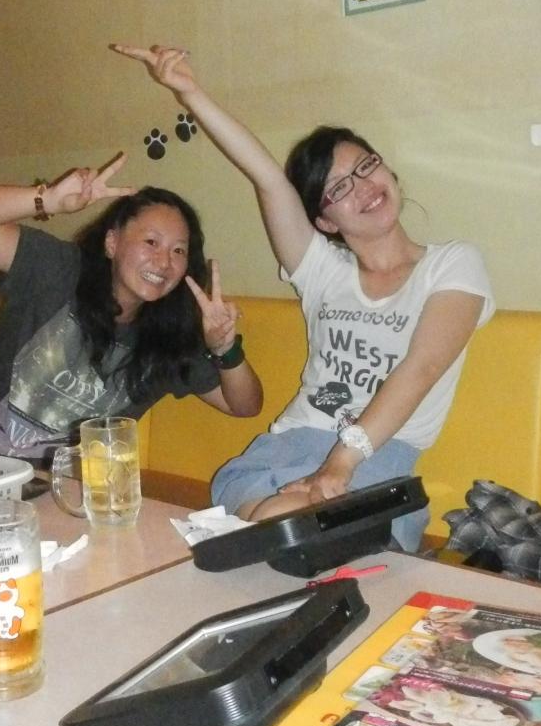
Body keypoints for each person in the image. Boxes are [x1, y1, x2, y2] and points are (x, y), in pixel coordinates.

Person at [111, 44, 494, 551]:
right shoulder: (322, 270)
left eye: (366, 167)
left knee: (286, 530)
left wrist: (340, 464)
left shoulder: (452, 264)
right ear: (323, 221)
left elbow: (421, 369)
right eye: (339, 188)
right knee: (285, 527)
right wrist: (191, 93)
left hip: (376, 462)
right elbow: (268, 178)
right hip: (285, 451)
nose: (363, 187)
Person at [0, 153, 263, 463]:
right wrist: (46, 200)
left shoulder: (170, 337)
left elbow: (245, 406)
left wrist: (225, 349)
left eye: (178, 250)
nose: (164, 261)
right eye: (151, 242)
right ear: (112, 243)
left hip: (78, 486)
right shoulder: (59, 271)